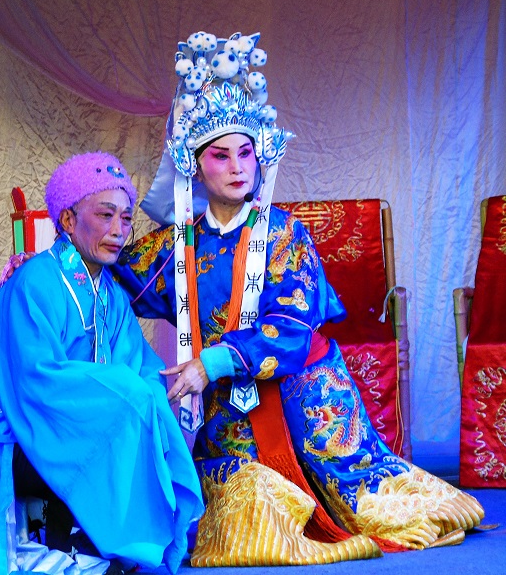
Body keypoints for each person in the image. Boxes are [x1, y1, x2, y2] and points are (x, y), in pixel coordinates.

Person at [110, 30, 485, 565]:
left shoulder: (286, 234)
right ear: (195, 164)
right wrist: (46, 262)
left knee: (372, 508)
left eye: (246, 153)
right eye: (220, 155)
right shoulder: (176, 245)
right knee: (237, 519)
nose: (238, 167)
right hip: (228, 413)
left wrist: (207, 364)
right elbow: (110, 267)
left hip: (304, 399)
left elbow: (292, 327)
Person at [0, 152, 203, 575]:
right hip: (26, 438)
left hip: (84, 432)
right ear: (67, 219)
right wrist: (122, 393)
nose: (118, 231)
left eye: (126, 219)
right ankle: (58, 538)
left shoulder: (112, 295)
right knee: (127, 400)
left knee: (147, 402)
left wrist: (162, 390)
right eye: (105, 215)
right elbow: (35, 382)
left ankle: (109, 537)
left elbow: (140, 367)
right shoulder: (33, 283)